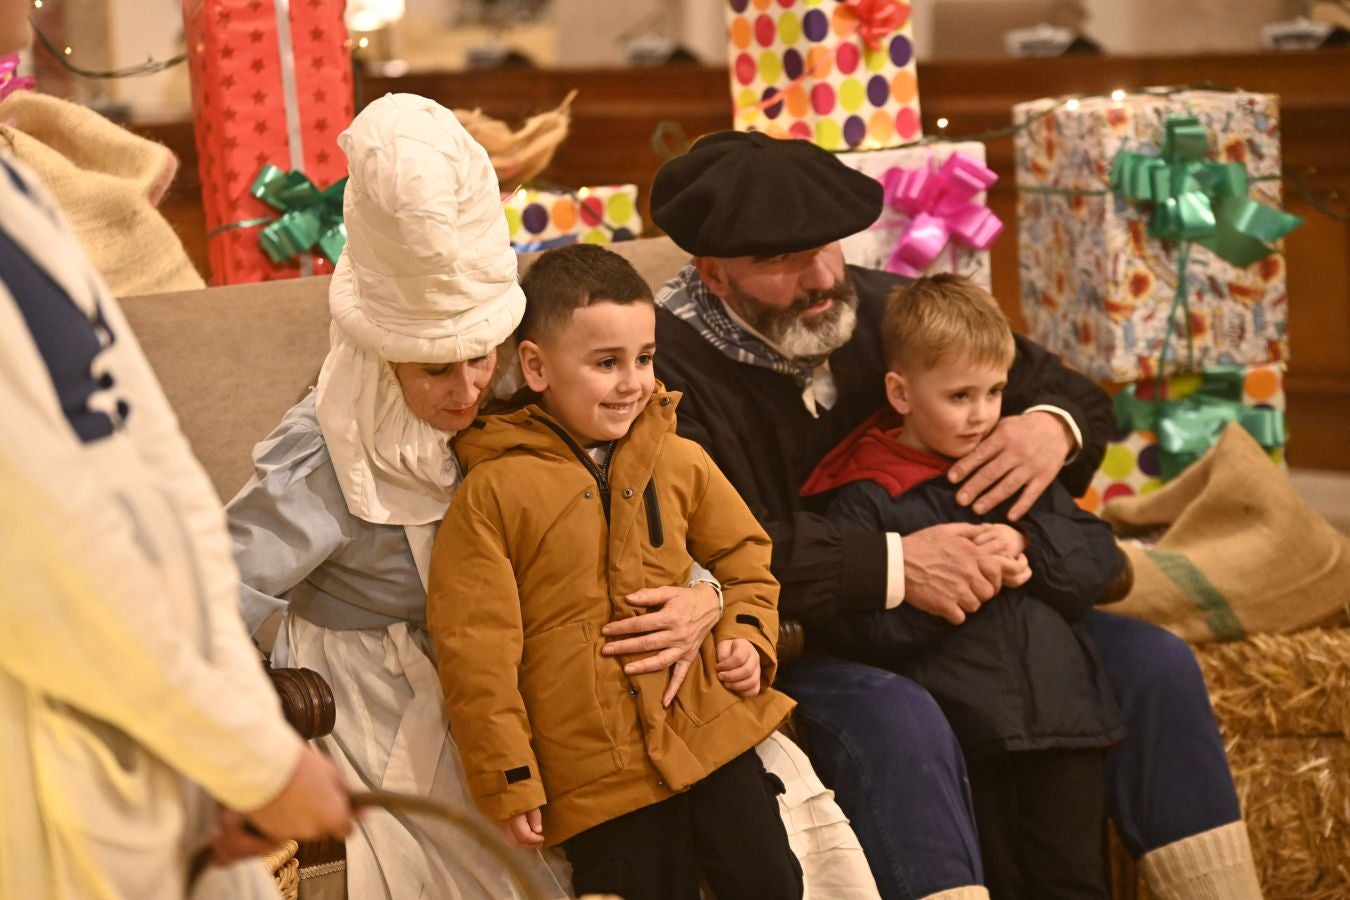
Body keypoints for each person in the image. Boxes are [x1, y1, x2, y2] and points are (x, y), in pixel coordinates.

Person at [645, 130, 1262, 900]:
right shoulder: (659, 368)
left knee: (1156, 664)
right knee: (900, 718)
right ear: (715, 275)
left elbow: (1066, 392)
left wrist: (1046, 427)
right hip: (805, 639)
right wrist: (901, 567)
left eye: (829, 247)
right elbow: (712, 543)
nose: (820, 278)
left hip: (984, 614)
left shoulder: (881, 305)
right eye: (783, 261)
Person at [0, 2, 351, 897]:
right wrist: (245, 751)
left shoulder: (15, 186)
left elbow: (140, 454)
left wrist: (222, 730)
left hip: (156, 722)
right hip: (60, 749)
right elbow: (47, 536)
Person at [225, 93, 587, 898]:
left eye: (480, 358)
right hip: (373, 701)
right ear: (384, 359)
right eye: (434, 369)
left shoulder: (513, 398)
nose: (468, 390)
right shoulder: (328, 451)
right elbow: (214, 593)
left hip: (511, 676)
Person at [427, 243, 803, 899]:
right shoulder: (492, 492)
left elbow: (747, 559)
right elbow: (474, 647)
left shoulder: (679, 459)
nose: (633, 382)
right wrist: (507, 773)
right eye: (606, 363)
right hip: (592, 764)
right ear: (536, 367)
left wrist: (747, 633)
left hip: (706, 731)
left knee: (769, 880)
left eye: (644, 358)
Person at [800, 274, 1127, 898]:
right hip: (966, 734)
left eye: (996, 392)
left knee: (1078, 883)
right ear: (900, 391)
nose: (982, 415)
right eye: (959, 396)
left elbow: (1100, 558)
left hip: (1067, 724)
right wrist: (954, 589)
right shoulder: (865, 492)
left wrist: (1029, 547)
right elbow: (853, 628)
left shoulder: (1008, 467)